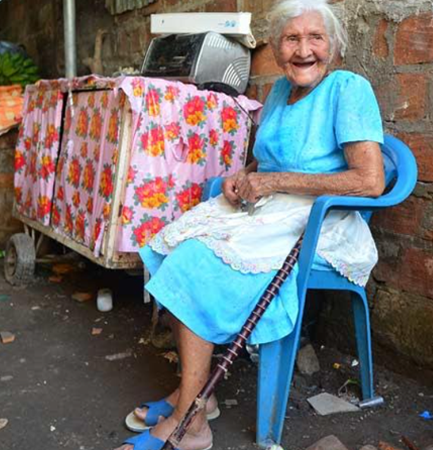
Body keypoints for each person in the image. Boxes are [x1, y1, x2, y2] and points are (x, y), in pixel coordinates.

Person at [117, 0, 385, 449]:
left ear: (334, 46)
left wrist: (274, 180)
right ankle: (198, 394)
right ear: (277, 50)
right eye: (291, 39)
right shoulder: (280, 91)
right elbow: (269, 157)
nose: (303, 50)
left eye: (315, 38)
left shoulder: (348, 89)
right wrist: (243, 178)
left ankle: (191, 419)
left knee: (197, 262)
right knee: (170, 245)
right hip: (271, 209)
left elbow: (371, 180)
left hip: (320, 219)